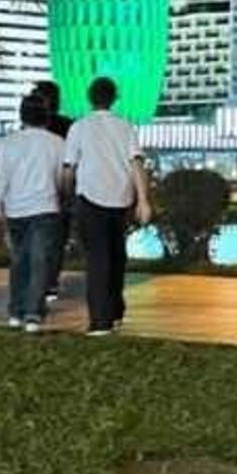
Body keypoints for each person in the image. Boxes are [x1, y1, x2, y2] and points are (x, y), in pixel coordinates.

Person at [62, 77, 152, 336]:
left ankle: (100, 321)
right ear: (115, 98)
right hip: (121, 199)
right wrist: (143, 200)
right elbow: (136, 163)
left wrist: (65, 193)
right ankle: (115, 312)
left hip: (90, 198)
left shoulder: (79, 127)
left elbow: (69, 167)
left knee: (97, 259)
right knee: (116, 256)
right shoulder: (125, 127)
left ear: (90, 98)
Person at [0, 94, 66, 334]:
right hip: (45, 207)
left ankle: (16, 311)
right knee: (39, 261)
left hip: (16, 210)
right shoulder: (57, 143)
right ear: (46, 116)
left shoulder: (9, 143)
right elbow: (61, 178)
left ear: (22, 116)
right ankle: (33, 313)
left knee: (20, 261)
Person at [31, 80, 75, 302]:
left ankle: (43, 282)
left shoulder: (31, 128)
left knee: (42, 239)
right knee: (55, 240)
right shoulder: (69, 126)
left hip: (41, 191)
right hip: (58, 191)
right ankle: (48, 283)